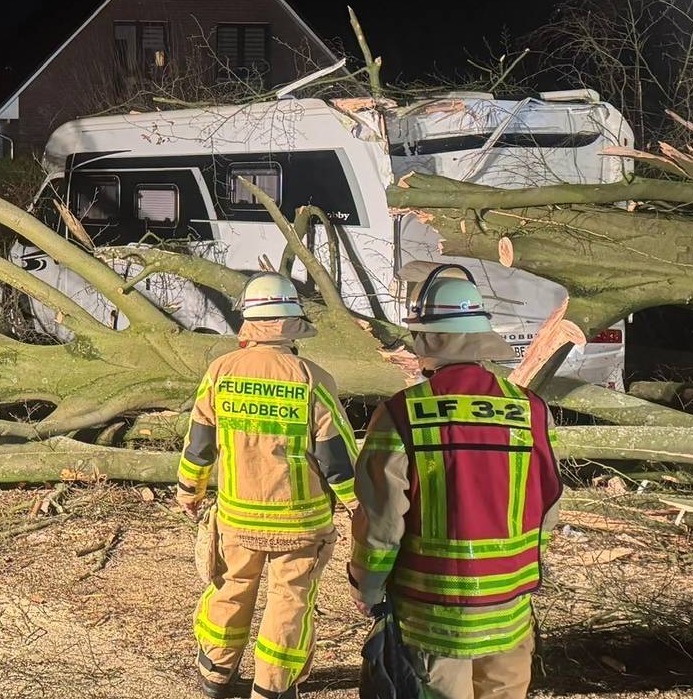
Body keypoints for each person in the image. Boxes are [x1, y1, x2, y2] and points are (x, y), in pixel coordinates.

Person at [351, 265, 564, 699]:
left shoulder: (401, 414)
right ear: (481, 335)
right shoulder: (529, 409)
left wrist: (368, 586)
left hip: (433, 615)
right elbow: (549, 503)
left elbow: (382, 518)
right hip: (510, 608)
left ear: (427, 339)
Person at [176, 273, 359, 699]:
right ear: (292, 326)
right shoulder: (310, 378)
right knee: (289, 602)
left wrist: (190, 491)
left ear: (249, 323)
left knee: (230, 588)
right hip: (299, 524)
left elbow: (200, 442)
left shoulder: (221, 371)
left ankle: (215, 675)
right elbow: (337, 458)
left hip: (237, 519)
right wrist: (359, 506)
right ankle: (272, 688)